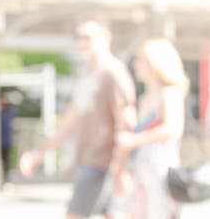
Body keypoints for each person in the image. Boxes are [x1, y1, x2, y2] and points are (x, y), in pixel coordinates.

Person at [18, 18, 136, 219]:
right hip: (86, 158)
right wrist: (39, 152)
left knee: (76, 215)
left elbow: (126, 121)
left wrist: (121, 168)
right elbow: (69, 121)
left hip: (101, 161)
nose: (81, 43)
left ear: (105, 38)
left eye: (87, 37)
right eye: (78, 37)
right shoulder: (84, 73)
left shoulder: (113, 72)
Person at [115, 38, 188, 219]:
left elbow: (172, 129)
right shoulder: (145, 98)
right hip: (142, 168)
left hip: (161, 169)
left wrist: (134, 140)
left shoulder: (169, 94)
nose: (136, 64)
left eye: (141, 60)